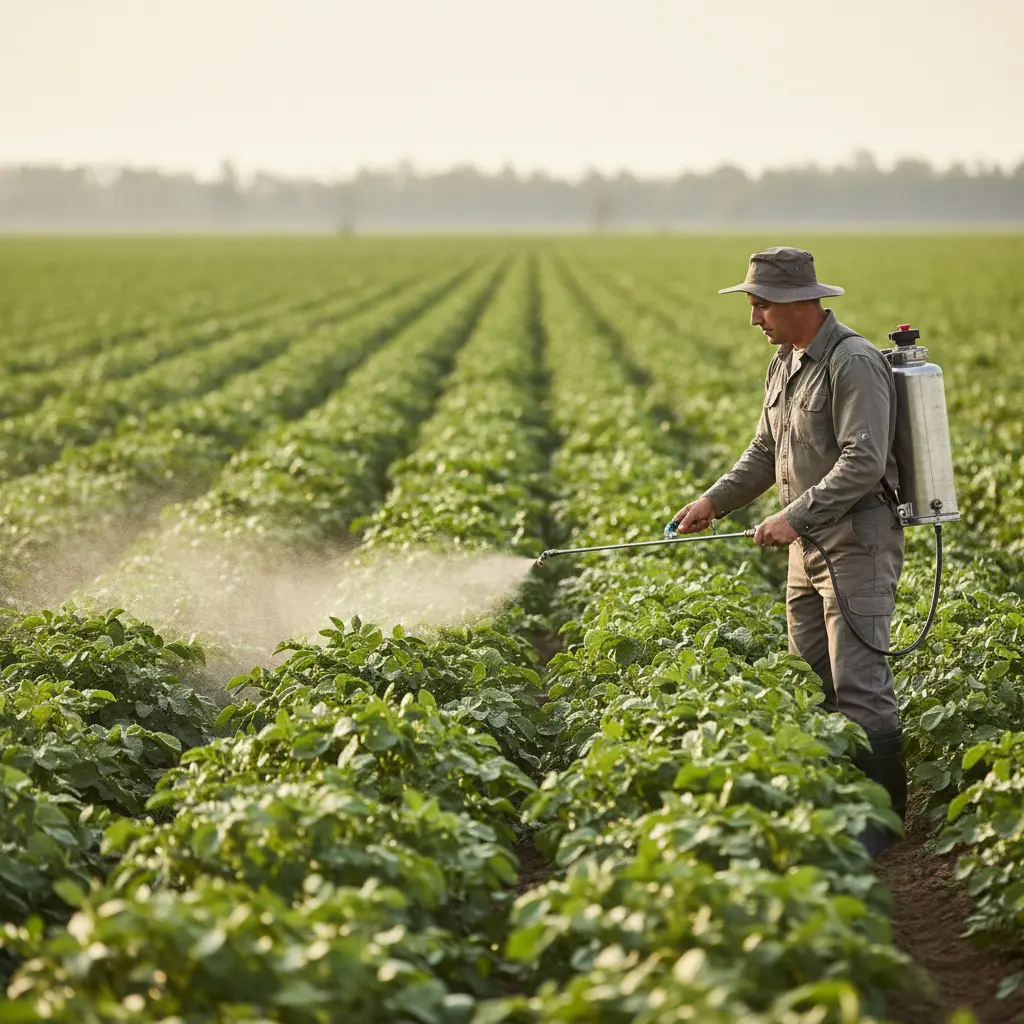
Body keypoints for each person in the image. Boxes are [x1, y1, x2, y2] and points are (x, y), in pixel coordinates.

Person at [671, 246, 906, 856]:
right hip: (808, 548)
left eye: (761, 306)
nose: (754, 319)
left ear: (799, 302)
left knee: (860, 684)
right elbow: (764, 449)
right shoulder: (784, 362)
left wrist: (792, 517)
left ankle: (882, 827)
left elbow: (864, 461)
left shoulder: (852, 363)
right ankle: (837, 801)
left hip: (856, 542)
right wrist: (714, 502)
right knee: (811, 678)